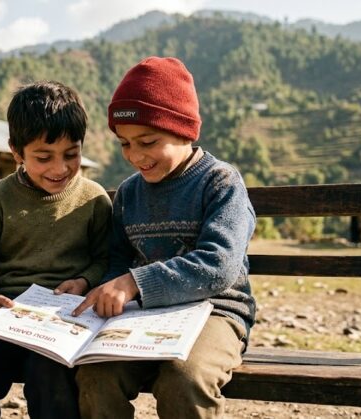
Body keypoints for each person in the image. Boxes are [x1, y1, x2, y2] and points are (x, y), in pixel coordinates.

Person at [72, 57, 257, 419]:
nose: (136, 156)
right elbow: (117, 260)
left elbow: (218, 266)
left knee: (183, 379)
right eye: (125, 144)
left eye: (148, 141)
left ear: (185, 131)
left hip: (215, 313)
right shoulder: (129, 194)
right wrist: (94, 286)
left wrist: (134, 283)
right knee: (95, 375)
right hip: (143, 319)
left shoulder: (220, 183)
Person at [0, 81, 113, 419]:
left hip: (63, 322)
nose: (60, 168)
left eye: (71, 154)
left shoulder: (94, 199)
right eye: (43, 157)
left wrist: (83, 280)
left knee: (51, 375)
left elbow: (105, 260)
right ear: (17, 152)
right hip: (1, 317)